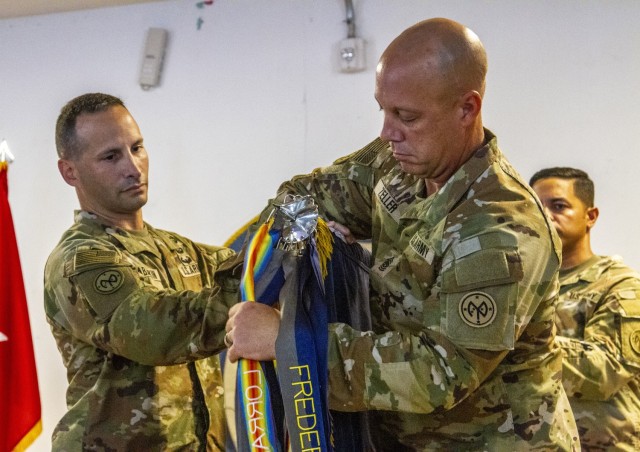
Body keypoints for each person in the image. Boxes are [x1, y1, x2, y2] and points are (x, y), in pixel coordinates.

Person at [225, 18, 579, 450]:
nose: (387, 133)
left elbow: (439, 373)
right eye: (384, 110)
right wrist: (310, 252)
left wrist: (290, 341)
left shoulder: (501, 227)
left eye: (407, 116)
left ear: (467, 108)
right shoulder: (397, 164)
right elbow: (301, 195)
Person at [44, 93, 240, 451]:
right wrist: (242, 310)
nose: (133, 167)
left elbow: (253, 267)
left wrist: (305, 236)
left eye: (137, 148)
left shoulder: (179, 249)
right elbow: (152, 330)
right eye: (111, 156)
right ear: (69, 171)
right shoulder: (80, 259)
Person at [531, 167, 640, 451]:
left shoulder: (620, 284)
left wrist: (525, 341)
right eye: (535, 206)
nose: (545, 215)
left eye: (558, 206)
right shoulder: (526, 287)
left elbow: (605, 371)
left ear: (590, 216)